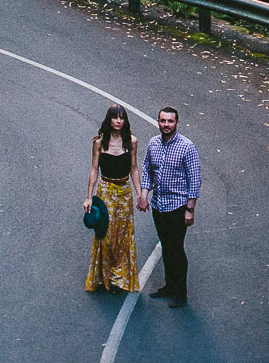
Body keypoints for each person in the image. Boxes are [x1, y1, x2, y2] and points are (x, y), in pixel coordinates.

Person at [85, 105, 147, 292]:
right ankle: (104, 276)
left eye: (122, 118)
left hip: (124, 192)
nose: (118, 121)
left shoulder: (132, 142)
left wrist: (140, 194)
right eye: (115, 117)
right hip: (105, 192)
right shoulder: (99, 143)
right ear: (109, 120)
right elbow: (94, 169)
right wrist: (88, 197)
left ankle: (119, 278)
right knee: (106, 234)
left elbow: (134, 169)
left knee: (123, 235)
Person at [143, 107, 200, 307]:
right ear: (158, 121)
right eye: (163, 121)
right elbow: (147, 170)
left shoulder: (187, 147)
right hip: (159, 205)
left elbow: (194, 179)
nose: (166, 125)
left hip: (178, 206)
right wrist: (144, 194)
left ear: (177, 123)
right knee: (166, 246)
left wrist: (190, 209)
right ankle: (169, 285)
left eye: (170, 121)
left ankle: (180, 292)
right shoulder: (153, 144)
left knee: (176, 249)